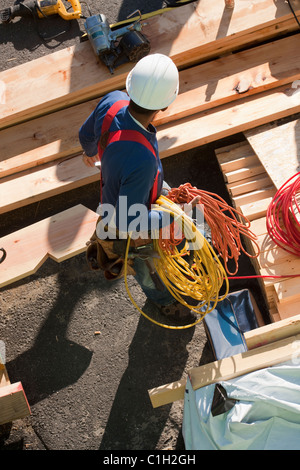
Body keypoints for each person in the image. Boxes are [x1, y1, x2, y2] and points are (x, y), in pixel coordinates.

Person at [79, 53, 197, 324]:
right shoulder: (142, 159)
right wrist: (174, 214)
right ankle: (164, 301)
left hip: (121, 192)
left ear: (130, 87)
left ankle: (186, 243)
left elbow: (85, 135)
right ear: (166, 105)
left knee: (185, 221)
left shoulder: (112, 101)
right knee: (147, 267)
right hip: (126, 219)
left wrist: (89, 153)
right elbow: (130, 220)